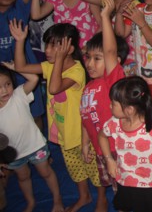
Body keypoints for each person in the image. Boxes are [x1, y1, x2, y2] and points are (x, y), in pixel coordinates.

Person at [11, 22, 105, 212]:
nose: (48, 50)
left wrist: (59, 60)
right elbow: (20, 66)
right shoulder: (50, 66)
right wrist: (20, 41)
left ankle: (102, 199)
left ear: (69, 49)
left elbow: (54, 88)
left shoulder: (77, 70)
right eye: (47, 44)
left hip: (83, 134)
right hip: (64, 133)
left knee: (95, 170)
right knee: (75, 169)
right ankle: (84, 196)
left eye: (55, 46)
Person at [99, 76, 152, 212]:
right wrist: (109, 160)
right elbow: (102, 136)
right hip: (125, 180)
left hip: (150, 184)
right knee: (124, 205)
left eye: (113, 103)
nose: (109, 106)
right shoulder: (114, 123)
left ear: (129, 109)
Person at [80, 0, 129, 203]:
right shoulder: (87, 88)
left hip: (118, 149)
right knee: (118, 191)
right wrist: (85, 144)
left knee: (127, 191)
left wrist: (105, 17)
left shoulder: (112, 81)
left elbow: (109, 50)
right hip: (101, 150)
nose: (90, 63)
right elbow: (85, 118)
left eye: (97, 59)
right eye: (88, 57)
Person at [0, 66, 65, 212]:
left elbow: (34, 78)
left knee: (45, 172)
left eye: (7, 84)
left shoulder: (18, 95)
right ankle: (30, 202)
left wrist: (15, 68)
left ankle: (57, 199)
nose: (4, 90)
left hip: (35, 146)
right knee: (23, 177)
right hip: (14, 154)